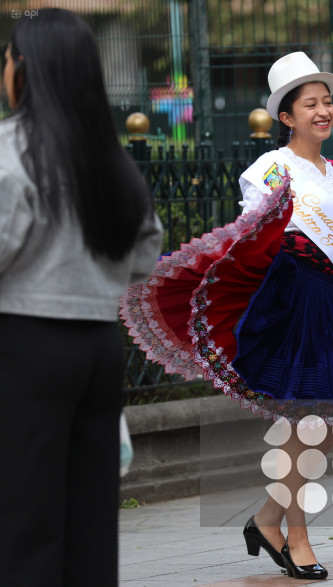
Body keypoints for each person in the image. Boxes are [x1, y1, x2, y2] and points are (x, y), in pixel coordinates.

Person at [121, 51, 333, 580]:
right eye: (310, 104)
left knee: (329, 427)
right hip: (297, 304)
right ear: (287, 117)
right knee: (308, 421)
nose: (323, 111)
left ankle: (267, 520)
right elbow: (251, 238)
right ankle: (296, 538)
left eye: (327, 102)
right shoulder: (268, 170)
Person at [0, 9, 163, 587]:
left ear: (27, 68)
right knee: (91, 517)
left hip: (27, 341)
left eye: (9, 58)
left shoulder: (11, 149)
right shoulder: (111, 158)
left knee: (24, 516)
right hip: (98, 347)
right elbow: (146, 252)